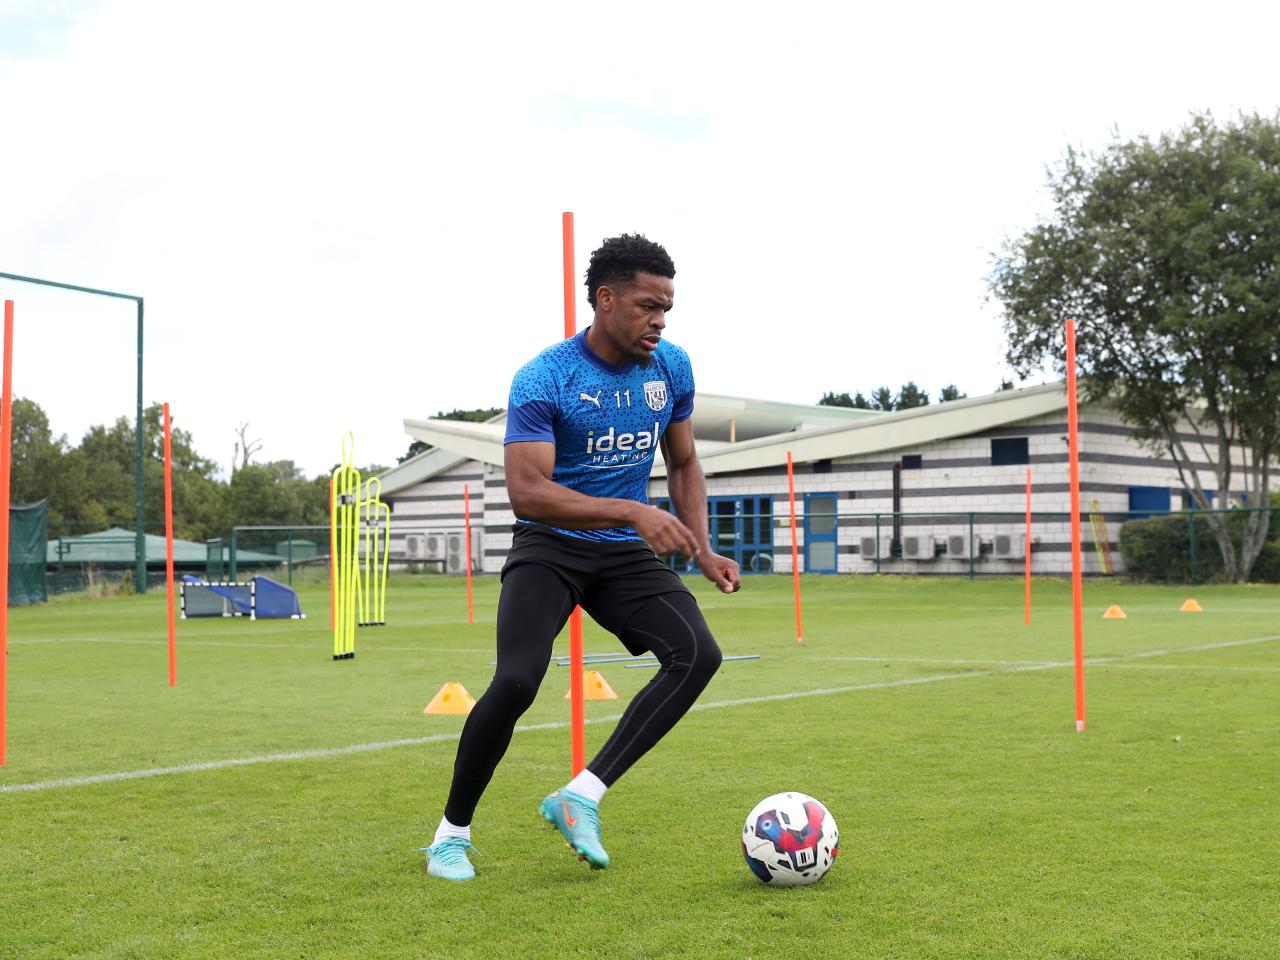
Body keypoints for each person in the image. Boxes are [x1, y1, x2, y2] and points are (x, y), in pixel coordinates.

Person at [422, 233, 741, 880]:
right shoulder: (547, 377)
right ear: (606, 299)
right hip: (550, 545)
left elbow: (684, 462)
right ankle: (450, 836)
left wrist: (703, 548)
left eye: (667, 308)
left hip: (622, 553)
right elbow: (528, 492)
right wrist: (633, 510)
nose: (659, 320)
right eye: (648, 305)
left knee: (697, 654)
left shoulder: (671, 368)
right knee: (517, 681)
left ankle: (581, 796)